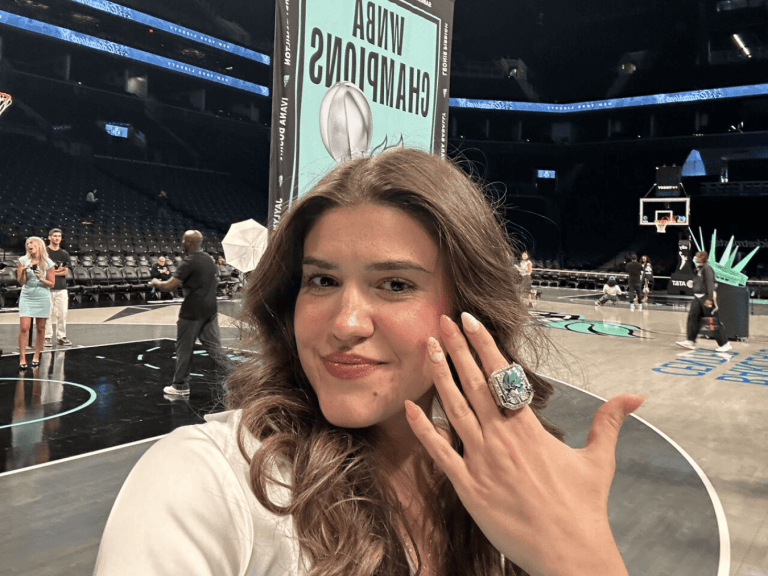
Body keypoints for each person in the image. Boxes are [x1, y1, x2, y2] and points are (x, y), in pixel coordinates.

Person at [94, 149, 645, 576]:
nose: (346, 322)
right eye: (323, 280)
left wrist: (579, 551)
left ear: (469, 308)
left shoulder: (511, 487)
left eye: (395, 284)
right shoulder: (210, 480)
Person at [149, 231, 231, 395]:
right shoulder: (209, 259)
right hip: (210, 309)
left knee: (184, 348)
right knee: (215, 348)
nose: (182, 242)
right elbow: (215, 282)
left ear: (187, 242)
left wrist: (155, 281)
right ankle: (239, 377)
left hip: (192, 311)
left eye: (184, 240)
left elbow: (169, 286)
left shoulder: (188, 262)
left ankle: (180, 385)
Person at [677, 251, 731, 352]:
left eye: (696, 256)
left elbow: (710, 284)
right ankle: (690, 341)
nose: (695, 258)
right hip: (697, 298)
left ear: (702, 258)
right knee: (693, 317)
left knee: (713, 321)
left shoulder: (707, 269)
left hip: (705, 298)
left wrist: (709, 299)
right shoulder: (699, 269)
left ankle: (725, 344)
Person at [17, 237, 55, 371]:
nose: (29, 245)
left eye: (32, 243)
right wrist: (23, 271)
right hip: (27, 295)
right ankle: (22, 357)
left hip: (42, 296)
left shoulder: (48, 263)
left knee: (40, 327)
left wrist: (41, 278)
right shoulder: (23, 260)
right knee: (24, 327)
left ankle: (36, 356)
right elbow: (21, 282)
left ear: (39, 245)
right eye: (27, 243)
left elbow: (51, 284)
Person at [44, 228, 72, 348]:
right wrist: (56, 271)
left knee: (62, 313)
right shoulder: (44, 252)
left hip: (61, 287)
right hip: (46, 288)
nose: (57, 238)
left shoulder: (64, 254)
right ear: (49, 237)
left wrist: (52, 272)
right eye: (54, 236)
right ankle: (47, 337)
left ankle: (61, 336)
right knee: (47, 314)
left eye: (59, 236)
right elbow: (42, 271)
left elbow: (65, 272)